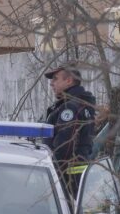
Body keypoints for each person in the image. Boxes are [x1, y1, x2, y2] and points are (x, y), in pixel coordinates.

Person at [41, 64, 96, 198]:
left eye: (55, 79)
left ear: (69, 81)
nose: (51, 84)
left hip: (66, 178)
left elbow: (63, 147)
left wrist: (51, 172)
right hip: (73, 177)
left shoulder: (70, 107)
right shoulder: (79, 103)